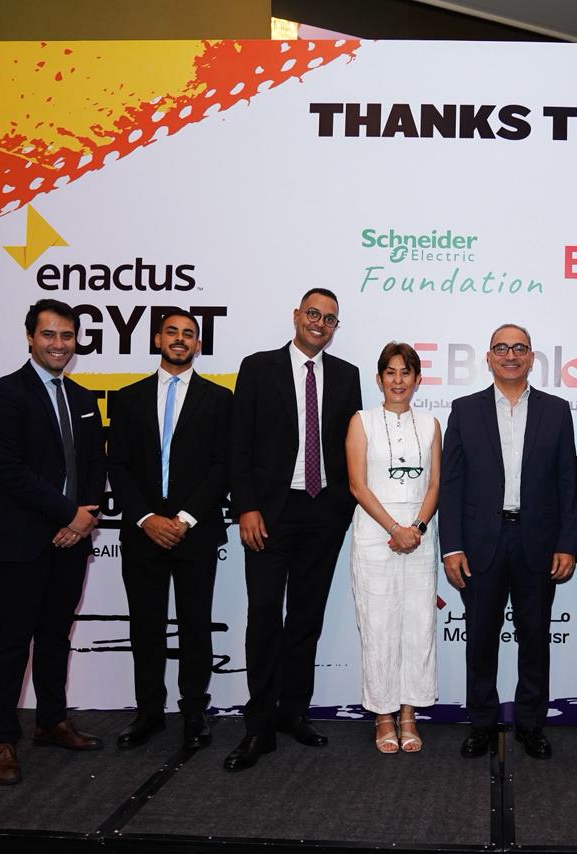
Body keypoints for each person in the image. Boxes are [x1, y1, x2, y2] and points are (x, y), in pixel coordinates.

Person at [224, 288, 362, 771]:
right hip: (269, 514)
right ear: (297, 316)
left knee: (306, 617)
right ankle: (259, 726)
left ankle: (293, 713)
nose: (319, 323)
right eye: (313, 314)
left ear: (335, 327)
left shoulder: (346, 375)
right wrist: (246, 507)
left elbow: (352, 447)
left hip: (324, 513)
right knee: (264, 615)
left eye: (329, 318)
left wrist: (344, 507)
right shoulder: (258, 367)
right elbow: (238, 444)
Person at [0, 298, 106, 785]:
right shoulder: (4, 394)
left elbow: (94, 466)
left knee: (55, 636)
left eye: (67, 336)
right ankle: (1, 739)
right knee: (12, 642)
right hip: (19, 540)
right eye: (49, 334)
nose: (59, 344)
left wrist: (84, 518)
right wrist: (68, 513)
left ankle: (51, 721)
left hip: (71, 540)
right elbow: (10, 471)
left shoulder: (84, 398)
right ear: (30, 337)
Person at [440, 323, 577, 760]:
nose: (511, 355)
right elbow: (452, 484)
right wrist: (451, 546)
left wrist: (567, 543)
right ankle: (481, 723)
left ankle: (531, 724)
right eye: (501, 348)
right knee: (481, 638)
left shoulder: (556, 411)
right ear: (489, 357)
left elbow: (568, 482)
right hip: (481, 542)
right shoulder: (465, 410)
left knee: (535, 638)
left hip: (538, 541)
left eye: (519, 348)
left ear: (532, 357)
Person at [108, 309, 232, 751]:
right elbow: (118, 466)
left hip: (194, 533)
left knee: (195, 626)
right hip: (142, 533)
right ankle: (149, 712)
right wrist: (146, 518)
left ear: (198, 345)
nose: (180, 339)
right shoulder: (128, 398)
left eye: (189, 334)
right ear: (158, 339)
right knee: (146, 627)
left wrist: (184, 519)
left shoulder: (219, 400)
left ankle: (194, 711)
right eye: (173, 332)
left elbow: (223, 466)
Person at [345, 342, 442, 753]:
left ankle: (408, 713)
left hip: (420, 535)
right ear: (379, 378)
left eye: (406, 373)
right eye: (391, 372)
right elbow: (357, 485)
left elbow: (435, 484)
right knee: (379, 624)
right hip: (375, 534)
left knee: (418, 625)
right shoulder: (361, 421)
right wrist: (393, 528)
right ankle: (383, 715)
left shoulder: (431, 423)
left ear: (418, 379)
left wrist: (415, 527)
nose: (398, 380)